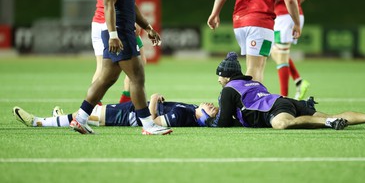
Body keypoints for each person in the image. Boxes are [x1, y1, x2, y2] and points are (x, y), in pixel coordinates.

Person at [70, 0, 172, 135]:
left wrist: (148, 26)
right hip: (120, 32)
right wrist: (113, 34)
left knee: (107, 78)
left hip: (122, 30)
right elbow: (109, 4)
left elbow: (129, 4)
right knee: (137, 76)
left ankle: (81, 118)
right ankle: (148, 125)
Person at [207, 52, 365, 130]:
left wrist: (208, 121)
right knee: (334, 114)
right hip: (284, 101)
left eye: (220, 76)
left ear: (227, 76)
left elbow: (223, 121)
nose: (218, 79)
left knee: (282, 124)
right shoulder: (253, 83)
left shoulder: (229, 89)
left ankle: (329, 122)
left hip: (275, 109)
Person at [207, 0, 301, 83]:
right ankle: (245, 100)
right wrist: (297, 23)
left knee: (255, 66)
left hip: (240, 23)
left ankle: (237, 91)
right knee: (255, 68)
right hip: (260, 24)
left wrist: (214, 13)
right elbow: (290, 0)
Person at [92, 0, 146, 104]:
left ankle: (90, 110)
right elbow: (114, 2)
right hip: (112, 24)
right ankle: (124, 106)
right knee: (137, 68)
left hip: (99, 21)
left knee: (103, 71)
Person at [12, 94, 218, 128]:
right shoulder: (191, 110)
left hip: (127, 116)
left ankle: (38, 122)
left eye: (212, 109)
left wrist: (154, 99)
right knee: (90, 112)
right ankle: (59, 118)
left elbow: (154, 122)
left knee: (83, 116)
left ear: (205, 116)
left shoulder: (183, 116)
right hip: (131, 108)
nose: (211, 105)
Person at [271, 0, 317, 100]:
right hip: (293, 14)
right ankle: (299, 81)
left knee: (281, 55)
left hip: (284, 16)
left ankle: (283, 97)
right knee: (275, 51)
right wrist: (298, 1)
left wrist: (272, 1)